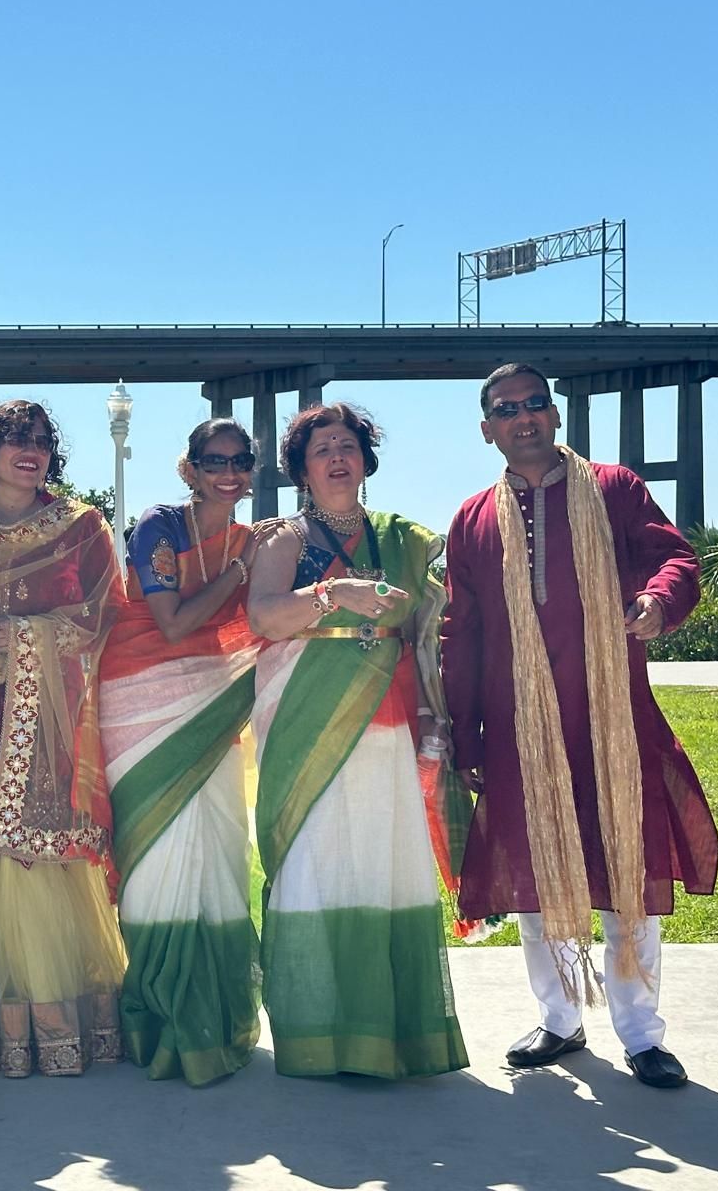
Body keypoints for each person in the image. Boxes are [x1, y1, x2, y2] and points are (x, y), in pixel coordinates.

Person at [441, 363, 718, 1090]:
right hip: (515, 726)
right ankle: (560, 1019)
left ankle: (641, 1033)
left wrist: (660, 601)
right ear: (487, 429)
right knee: (537, 873)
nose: (524, 416)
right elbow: (458, 631)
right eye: (507, 409)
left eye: (536, 403)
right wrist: (467, 736)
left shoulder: (614, 490)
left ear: (556, 416)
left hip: (610, 716)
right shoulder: (472, 519)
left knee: (627, 862)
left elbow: (672, 556)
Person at [247, 401, 470, 1080]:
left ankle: (393, 1030)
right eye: (322, 450)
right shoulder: (286, 537)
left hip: (389, 717)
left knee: (383, 861)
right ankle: (318, 1032)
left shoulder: (401, 537)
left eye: (347, 445)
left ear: (365, 460)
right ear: (302, 469)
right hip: (304, 716)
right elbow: (264, 618)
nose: (337, 457)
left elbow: (428, 631)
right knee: (316, 860)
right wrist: (333, 592)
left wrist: (435, 712)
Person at [0, 400, 126, 1077]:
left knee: (40, 853)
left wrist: (27, 638)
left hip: (50, 720)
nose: (32, 451)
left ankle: (54, 1024)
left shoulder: (82, 526)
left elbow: (107, 616)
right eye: (16, 440)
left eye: (43, 441)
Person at [99, 419, 274, 1087]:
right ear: (191, 468)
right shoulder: (159, 527)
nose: (228, 472)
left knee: (223, 853)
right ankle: (159, 1013)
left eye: (240, 460)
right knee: (156, 860)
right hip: (141, 704)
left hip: (213, 706)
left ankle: (218, 1011)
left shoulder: (255, 539)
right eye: (214, 460)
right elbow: (170, 620)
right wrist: (238, 569)